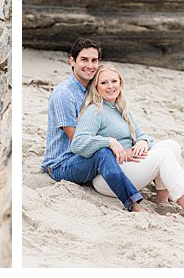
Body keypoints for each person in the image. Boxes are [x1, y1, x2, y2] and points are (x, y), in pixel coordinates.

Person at [71, 63, 184, 222]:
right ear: (96, 87)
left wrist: (142, 141)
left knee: (171, 146)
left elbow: (142, 135)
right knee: (163, 155)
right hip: (109, 177)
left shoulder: (121, 108)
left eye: (114, 81)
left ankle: (162, 198)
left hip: (130, 165)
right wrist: (110, 142)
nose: (110, 86)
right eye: (104, 83)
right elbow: (78, 143)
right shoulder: (95, 111)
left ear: (120, 82)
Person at [40, 38, 145, 212]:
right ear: (72, 61)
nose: (90, 65)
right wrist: (111, 143)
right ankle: (133, 205)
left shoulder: (96, 90)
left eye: (94, 60)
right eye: (84, 60)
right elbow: (77, 141)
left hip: (86, 160)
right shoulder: (64, 95)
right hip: (63, 164)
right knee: (103, 152)